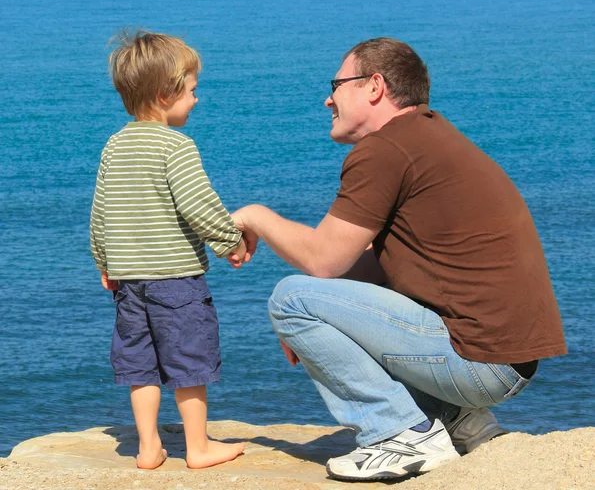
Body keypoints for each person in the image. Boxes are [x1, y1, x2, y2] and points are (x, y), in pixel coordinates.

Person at [229, 37, 567, 482]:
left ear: (374, 86)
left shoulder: (386, 150)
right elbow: (367, 269)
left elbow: (324, 260)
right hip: (503, 362)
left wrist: (257, 216)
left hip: (479, 364)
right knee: (311, 302)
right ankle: (458, 421)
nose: (328, 97)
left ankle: (401, 432)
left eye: (337, 83)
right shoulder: (428, 137)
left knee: (291, 298)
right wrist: (326, 320)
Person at [90, 30, 249, 470]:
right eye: (192, 91)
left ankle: (148, 447)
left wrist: (104, 261)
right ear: (165, 94)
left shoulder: (114, 145)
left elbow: (100, 211)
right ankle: (197, 447)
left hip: (130, 283)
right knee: (189, 361)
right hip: (176, 280)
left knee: (139, 365)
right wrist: (229, 241)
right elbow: (199, 204)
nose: (196, 100)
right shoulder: (176, 146)